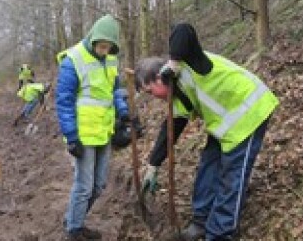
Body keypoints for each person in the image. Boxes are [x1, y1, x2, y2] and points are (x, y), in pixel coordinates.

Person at [134, 23, 279, 241]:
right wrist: (153, 165)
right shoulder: (178, 94)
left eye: (149, 90)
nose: (152, 96)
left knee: (233, 178)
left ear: (159, 77)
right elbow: (170, 129)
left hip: (250, 113)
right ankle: (200, 222)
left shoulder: (192, 63)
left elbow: (184, 30)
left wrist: (173, 62)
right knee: (207, 168)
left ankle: (220, 233)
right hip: (226, 126)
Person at [55, 14, 135, 241]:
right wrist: (71, 137)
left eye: (109, 47)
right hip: (82, 135)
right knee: (83, 186)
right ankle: (74, 229)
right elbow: (63, 101)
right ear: (92, 39)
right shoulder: (73, 60)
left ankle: (73, 218)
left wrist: (123, 111)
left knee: (99, 186)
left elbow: (114, 91)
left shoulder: (111, 59)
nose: (104, 51)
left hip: (104, 132)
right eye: (101, 46)